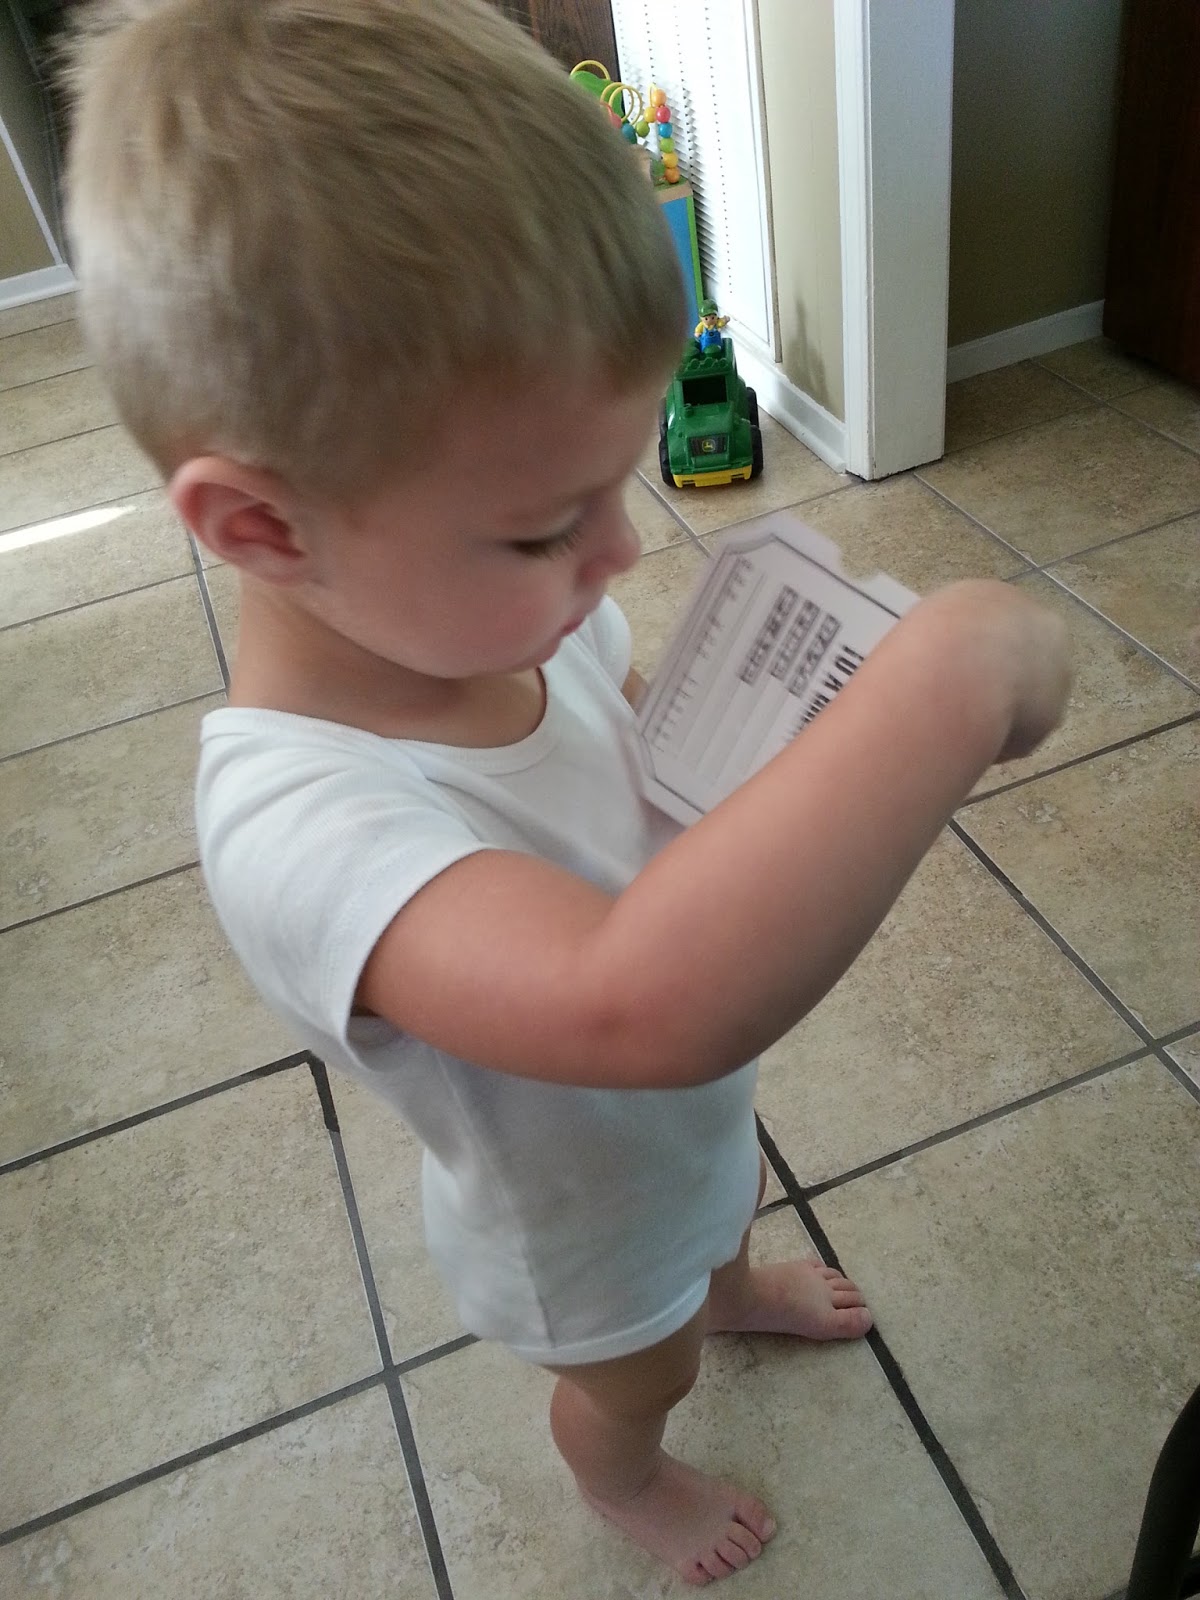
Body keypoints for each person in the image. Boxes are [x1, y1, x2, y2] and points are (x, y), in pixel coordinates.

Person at [65, 1, 1070, 1585]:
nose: (620, 551)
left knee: (724, 1204)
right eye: (544, 527)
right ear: (263, 531)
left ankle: (727, 1285)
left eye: (618, 482)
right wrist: (945, 679)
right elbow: (631, 1005)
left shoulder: (507, 626)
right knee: (638, 1367)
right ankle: (625, 1478)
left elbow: (620, 748)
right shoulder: (299, 825)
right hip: (579, 1227)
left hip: (680, 1139)